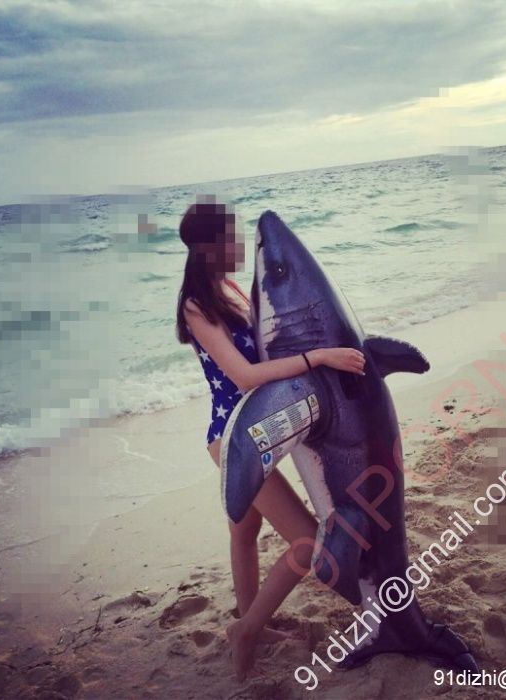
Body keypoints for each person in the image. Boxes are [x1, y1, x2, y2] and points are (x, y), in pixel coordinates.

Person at [175, 198, 366, 681]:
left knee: (245, 534)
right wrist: (319, 358)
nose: (240, 242)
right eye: (231, 235)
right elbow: (243, 376)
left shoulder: (230, 289)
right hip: (238, 439)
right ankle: (247, 630)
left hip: (265, 427)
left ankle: (249, 621)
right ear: (209, 246)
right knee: (306, 541)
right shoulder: (196, 305)